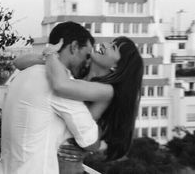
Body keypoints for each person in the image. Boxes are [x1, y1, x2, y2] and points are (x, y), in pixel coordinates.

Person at [15, 35, 144, 172]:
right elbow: (19, 62)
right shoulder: (78, 69)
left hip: (65, 162)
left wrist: (52, 55)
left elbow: (61, 87)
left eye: (113, 47)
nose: (105, 44)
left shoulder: (106, 91)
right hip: (46, 157)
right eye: (110, 42)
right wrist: (48, 57)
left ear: (117, 65)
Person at [0, 21, 101, 174]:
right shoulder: (60, 86)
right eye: (87, 55)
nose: (88, 62)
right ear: (74, 47)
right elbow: (91, 141)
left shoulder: (24, 74)